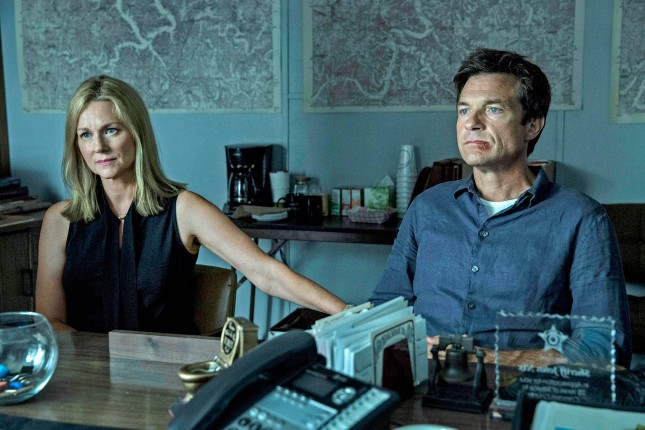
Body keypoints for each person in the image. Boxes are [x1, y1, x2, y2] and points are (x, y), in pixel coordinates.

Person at [370, 48, 632, 367]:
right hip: (423, 384)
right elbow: (385, 310)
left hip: (519, 390)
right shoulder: (427, 207)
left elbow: (604, 350)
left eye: (493, 109)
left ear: (532, 125)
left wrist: (483, 358)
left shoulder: (582, 219)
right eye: (464, 110)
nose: (472, 123)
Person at [36, 75, 348, 334]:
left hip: (170, 372)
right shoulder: (59, 220)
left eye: (111, 130)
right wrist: (102, 365)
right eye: (85, 135)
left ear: (136, 134)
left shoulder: (184, 209)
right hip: (88, 376)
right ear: (76, 145)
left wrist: (350, 313)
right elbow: (51, 321)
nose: (99, 147)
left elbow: (265, 272)